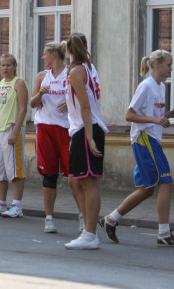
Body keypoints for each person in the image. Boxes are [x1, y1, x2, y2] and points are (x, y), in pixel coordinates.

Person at [99, 50, 174, 247]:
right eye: (169, 64)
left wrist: (168, 114)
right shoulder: (145, 86)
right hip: (144, 139)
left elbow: (153, 114)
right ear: (157, 65)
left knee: (147, 189)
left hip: (152, 138)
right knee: (166, 182)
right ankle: (164, 233)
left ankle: (110, 220)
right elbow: (129, 115)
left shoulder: (160, 87)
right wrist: (155, 119)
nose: (171, 68)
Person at [29, 41, 81, 234]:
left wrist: (70, 102)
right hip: (45, 128)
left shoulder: (71, 73)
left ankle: (83, 216)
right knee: (49, 175)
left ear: (53, 55)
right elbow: (33, 104)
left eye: (44, 54)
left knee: (74, 177)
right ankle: (49, 218)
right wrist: (41, 93)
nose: (42, 57)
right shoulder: (42, 76)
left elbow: (82, 96)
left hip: (67, 129)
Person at [63, 32, 107, 250]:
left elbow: (85, 106)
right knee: (74, 180)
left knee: (89, 183)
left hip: (87, 128)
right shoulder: (89, 68)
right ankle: (87, 226)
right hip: (80, 129)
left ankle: (90, 233)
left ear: (68, 50)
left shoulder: (77, 71)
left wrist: (88, 137)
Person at [0, 54, 28, 219]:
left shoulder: (19, 83)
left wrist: (15, 131)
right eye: (2, 65)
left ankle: (17, 205)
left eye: (8, 65)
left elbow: (23, 109)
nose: (5, 68)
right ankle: (1, 203)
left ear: (15, 66)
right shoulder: (0, 84)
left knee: (14, 170)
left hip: (11, 130)